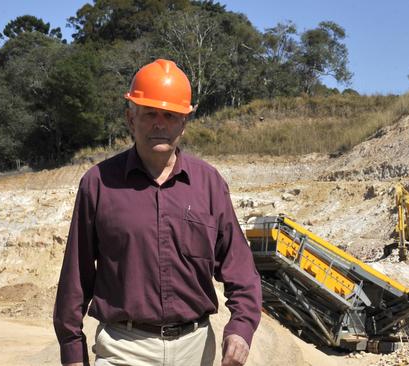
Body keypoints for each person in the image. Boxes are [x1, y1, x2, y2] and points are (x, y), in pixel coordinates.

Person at [53, 59, 262, 366]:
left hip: (195, 348)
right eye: (149, 113)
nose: (159, 123)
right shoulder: (98, 184)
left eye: (170, 115)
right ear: (130, 118)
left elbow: (241, 270)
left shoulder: (210, 185)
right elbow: (76, 276)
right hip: (123, 349)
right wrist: (72, 350)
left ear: (184, 122)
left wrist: (241, 329)